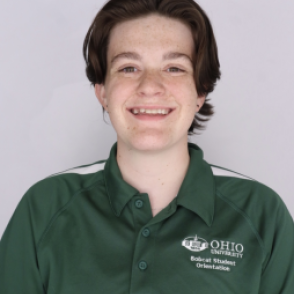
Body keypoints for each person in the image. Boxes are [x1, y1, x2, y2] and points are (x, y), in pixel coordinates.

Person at [0, 0, 293, 293]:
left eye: (174, 68)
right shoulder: (43, 210)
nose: (150, 86)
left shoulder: (262, 215)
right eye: (129, 68)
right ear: (102, 91)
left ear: (200, 92)